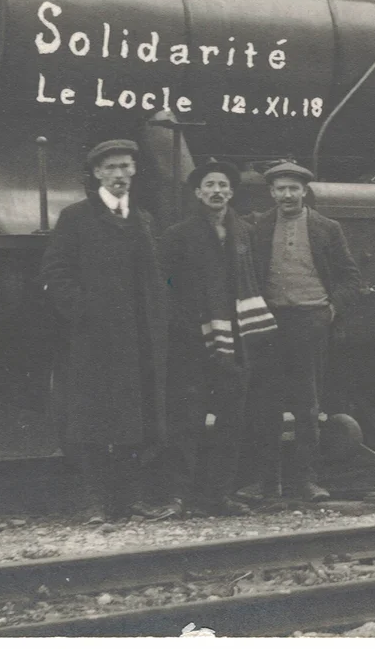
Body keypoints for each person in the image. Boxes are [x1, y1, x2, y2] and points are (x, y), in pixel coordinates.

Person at [40, 139, 173, 523]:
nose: (120, 175)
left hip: (140, 339)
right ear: (97, 173)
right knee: (94, 423)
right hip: (95, 341)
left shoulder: (143, 220)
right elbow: (54, 273)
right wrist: (84, 313)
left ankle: (127, 501)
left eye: (126, 167)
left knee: (137, 422)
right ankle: (97, 502)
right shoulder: (76, 217)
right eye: (111, 168)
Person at [242, 160, 362, 503]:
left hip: (310, 323)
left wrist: (330, 309)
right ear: (271, 193)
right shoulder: (259, 228)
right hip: (269, 322)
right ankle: (266, 482)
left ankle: (306, 481)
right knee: (265, 404)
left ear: (305, 191)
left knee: (307, 405)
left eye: (293, 188)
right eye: (280, 189)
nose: (287, 195)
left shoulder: (327, 228)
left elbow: (350, 277)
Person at [160, 160, 274, 515]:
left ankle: (218, 494)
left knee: (231, 421)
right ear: (197, 192)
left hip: (236, 341)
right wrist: (186, 327)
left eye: (223, 185)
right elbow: (165, 289)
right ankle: (180, 496)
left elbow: (256, 278)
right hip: (192, 340)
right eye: (209, 185)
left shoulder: (244, 233)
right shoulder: (178, 235)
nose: (217, 191)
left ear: (231, 192)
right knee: (188, 421)